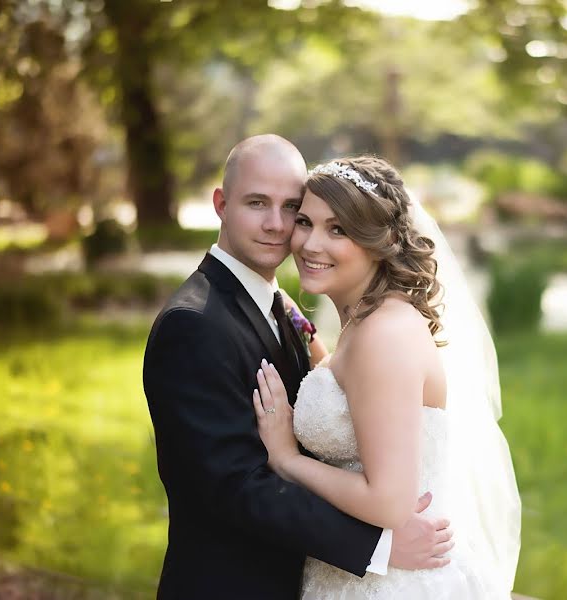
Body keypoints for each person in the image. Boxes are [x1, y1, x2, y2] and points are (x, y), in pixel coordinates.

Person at [143, 136, 453, 600]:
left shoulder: (285, 310)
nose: (277, 225)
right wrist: (377, 547)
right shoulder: (194, 324)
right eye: (256, 203)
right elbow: (233, 486)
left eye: (291, 208)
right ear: (221, 205)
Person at [251, 155, 521, 598]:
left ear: (383, 240)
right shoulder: (367, 322)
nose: (311, 244)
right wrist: (304, 334)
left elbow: (390, 502)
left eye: (338, 229)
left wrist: (287, 460)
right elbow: (352, 392)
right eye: (305, 222)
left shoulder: (384, 335)